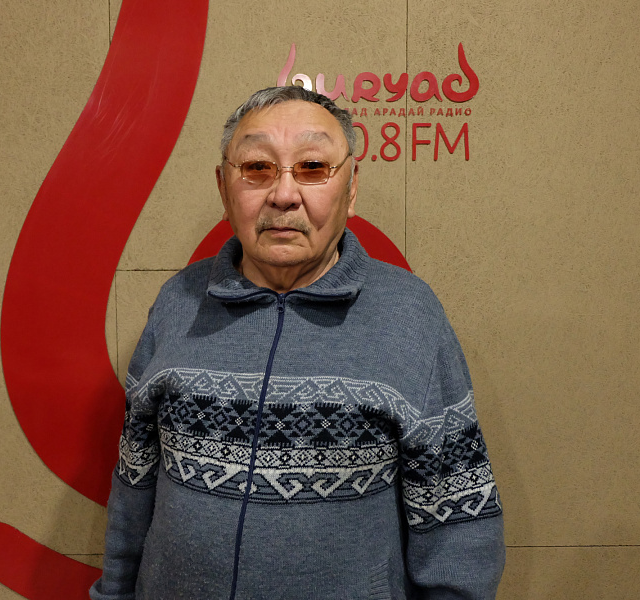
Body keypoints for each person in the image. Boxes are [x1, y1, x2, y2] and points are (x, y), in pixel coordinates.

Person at [90, 86, 505, 600]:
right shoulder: (178, 301)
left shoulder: (409, 315)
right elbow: (134, 487)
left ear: (351, 187)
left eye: (312, 167)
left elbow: (458, 522)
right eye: (257, 168)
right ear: (223, 187)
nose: (284, 195)